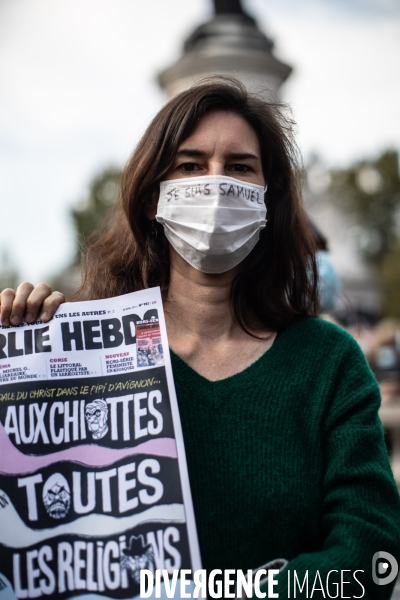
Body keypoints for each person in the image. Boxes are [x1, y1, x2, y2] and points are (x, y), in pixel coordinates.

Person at [1, 77, 399, 598]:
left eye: (239, 167)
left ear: (267, 200)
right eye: (190, 166)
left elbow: (371, 554)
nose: (215, 185)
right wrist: (19, 364)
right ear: (151, 199)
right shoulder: (85, 358)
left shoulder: (328, 364)